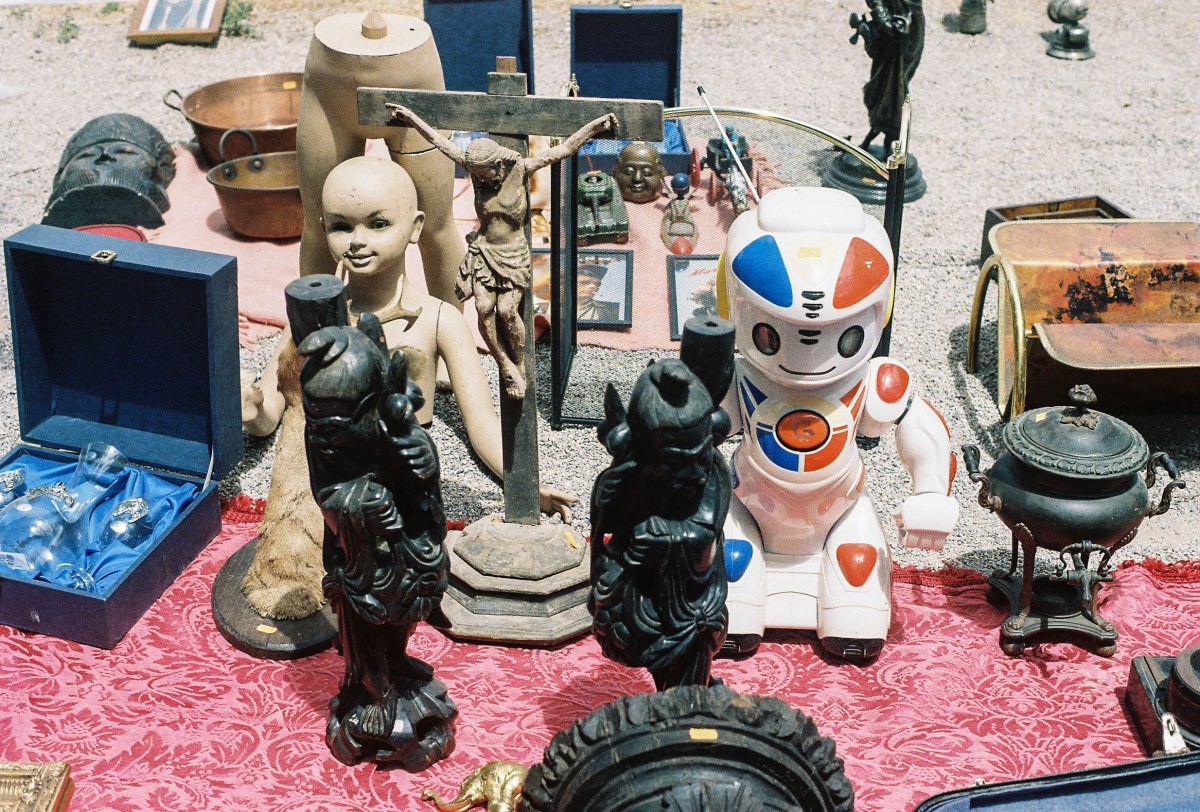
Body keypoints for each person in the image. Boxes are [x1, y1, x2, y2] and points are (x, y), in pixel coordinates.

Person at [240, 157, 576, 622]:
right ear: (322, 228)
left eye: (378, 224)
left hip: (396, 467)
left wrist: (523, 485)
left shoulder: (438, 319)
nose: (357, 241)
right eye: (341, 226)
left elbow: (481, 420)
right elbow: (273, 409)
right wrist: (251, 407)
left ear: (415, 227)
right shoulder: (311, 314)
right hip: (328, 471)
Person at [387, 103, 618, 399]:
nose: (483, 180)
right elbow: (440, 142)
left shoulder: (520, 168)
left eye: (486, 173)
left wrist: (595, 127)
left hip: (513, 253)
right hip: (484, 251)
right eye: (478, 175)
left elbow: (563, 150)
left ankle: (519, 364)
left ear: (498, 164)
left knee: (507, 310)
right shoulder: (475, 171)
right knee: (483, 310)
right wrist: (410, 118)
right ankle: (505, 364)